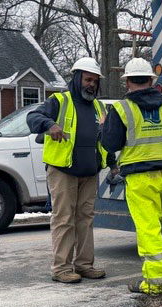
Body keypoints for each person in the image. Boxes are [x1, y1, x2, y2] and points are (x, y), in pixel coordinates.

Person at [101, 58, 162, 295]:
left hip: (140, 177)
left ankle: (155, 283)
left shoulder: (121, 109)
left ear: (127, 83)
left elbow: (110, 143)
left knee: (149, 228)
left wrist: (104, 127)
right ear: (152, 81)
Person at [27, 57, 112, 284]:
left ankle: (84, 265)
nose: (91, 84)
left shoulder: (99, 107)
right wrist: (49, 125)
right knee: (64, 218)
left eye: (94, 81)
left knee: (85, 219)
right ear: (76, 79)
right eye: (87, 79)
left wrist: (112, 164)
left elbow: (104, 139)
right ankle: (61, 269)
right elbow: (33, 117)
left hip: (89, 172)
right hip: (63, 170)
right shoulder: (59, 101)